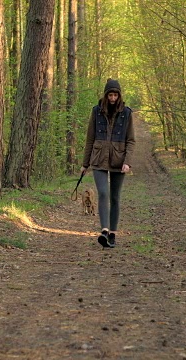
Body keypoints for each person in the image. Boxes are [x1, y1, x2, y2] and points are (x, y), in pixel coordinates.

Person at [81, 78, 136, 248]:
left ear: (119, 96)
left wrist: (127, 162)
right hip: (98, 159)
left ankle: (113, 233)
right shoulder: (96, 111)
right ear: (106, 95)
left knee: (115, 197)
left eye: (115, 95)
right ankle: (104, 230)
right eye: (110, 95)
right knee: (103, 193)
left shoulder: (126, 113)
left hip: (119, 160)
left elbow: (131, 140)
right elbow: (90, 139)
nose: (112, 98)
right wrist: (85, 164)